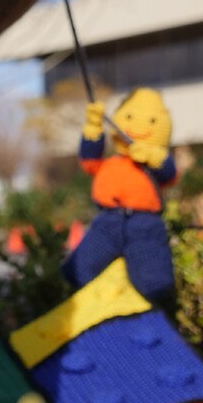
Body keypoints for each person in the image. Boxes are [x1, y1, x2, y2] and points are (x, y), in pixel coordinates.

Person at [62, 87, 178, 305]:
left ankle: (153, 311)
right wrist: (94, 126)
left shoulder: (150, 166)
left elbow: (170, 173)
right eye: (130, 117)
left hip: (145, 225)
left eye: (152, 121)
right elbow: (89, 159)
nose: (138, 126)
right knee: (81, 268)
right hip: (108, 221)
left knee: (154, 281)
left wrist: (153, 156)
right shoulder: (112, 162)